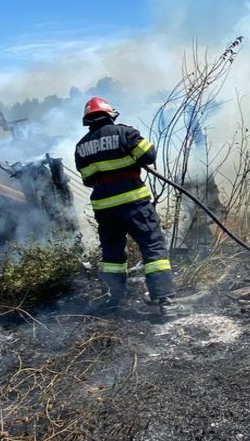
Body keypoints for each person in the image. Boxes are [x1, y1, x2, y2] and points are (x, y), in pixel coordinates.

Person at [74, 96, 180, 315]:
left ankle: (113, 301)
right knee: (152, 246)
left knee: (112, 254)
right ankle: (166, 303)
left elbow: (87, 179)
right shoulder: (125, 133)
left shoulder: (81, 147)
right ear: (110, 114)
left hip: (104, 209)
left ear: (88, 120)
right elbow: (148, 155)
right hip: (134, 203)